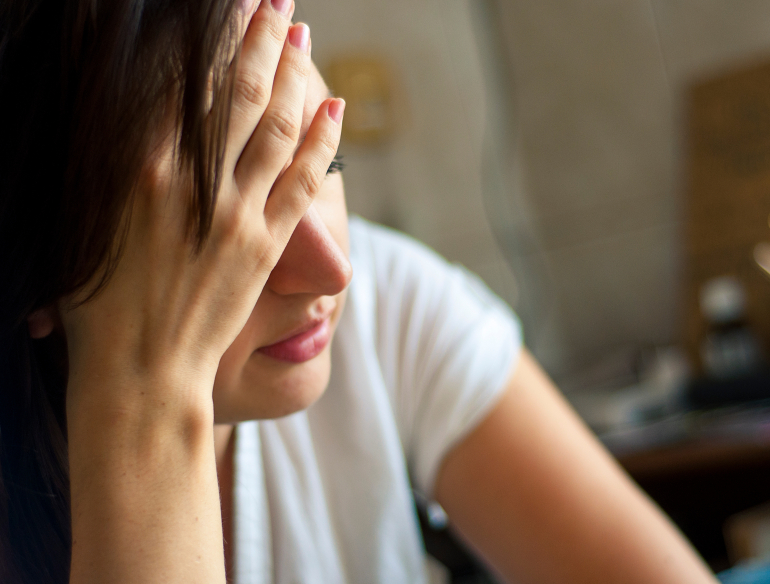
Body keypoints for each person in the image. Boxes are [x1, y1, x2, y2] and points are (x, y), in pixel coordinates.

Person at [0, 1, 720, 583]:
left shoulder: (386, 301)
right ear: (41, 280)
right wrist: (144, 397)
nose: (332, 269)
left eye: (324, 163)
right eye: (222, 223)